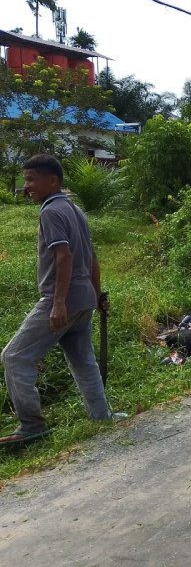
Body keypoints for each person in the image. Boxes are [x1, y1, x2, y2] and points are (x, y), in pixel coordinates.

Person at [0, 154, 111, 446]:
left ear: (52, 181)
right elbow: (93, 257)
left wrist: (58, 303)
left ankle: (32, 425)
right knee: (83, 361)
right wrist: (97, 295)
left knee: (14, 356)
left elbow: (64, 256)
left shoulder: (50, 212)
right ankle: (102, 417)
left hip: (61, 300)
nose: (27, 187)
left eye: (31, 180)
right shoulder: (75, 210)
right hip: (84, 299)